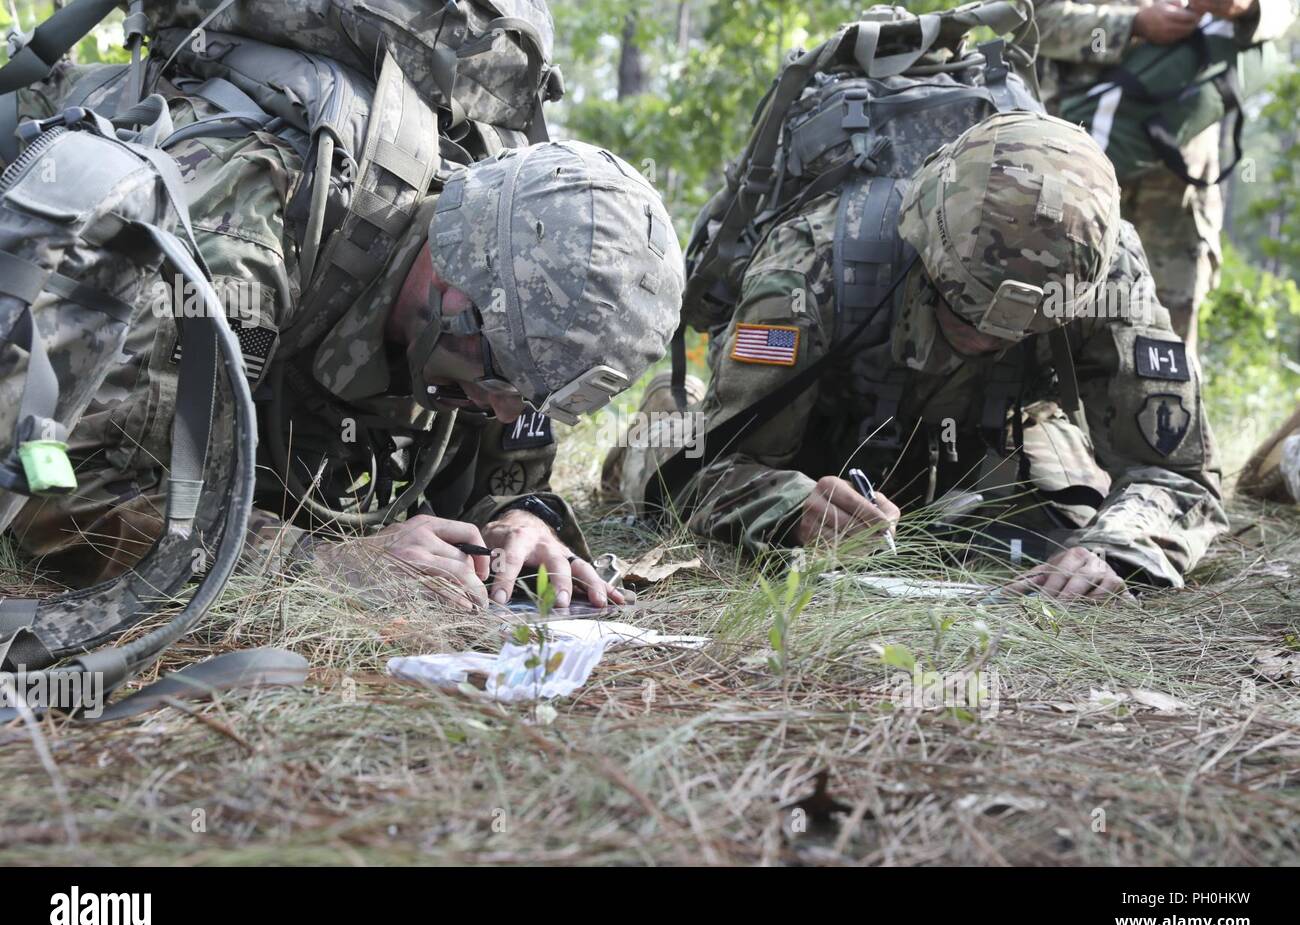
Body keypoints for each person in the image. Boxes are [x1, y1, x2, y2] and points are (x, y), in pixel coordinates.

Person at [3, 56, 685, 613]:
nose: (507, 410)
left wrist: (522, 518)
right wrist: (318, 564)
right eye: (504, 380)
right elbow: (58, 488)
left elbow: (504, 470)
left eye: (534, 401)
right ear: (453, 285)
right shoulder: (237, 250)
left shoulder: (508, 331)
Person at [615, 112, 1228, 601]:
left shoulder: (1105, 275)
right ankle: (668, 406)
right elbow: (718, 467)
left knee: (1069, 513)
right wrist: (787, 508)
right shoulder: (814, 264)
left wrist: (1115, 549)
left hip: (993, 434)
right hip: (818, 443)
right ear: (922, 239)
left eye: (1018, 328)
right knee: (667, 463)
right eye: (964, 308)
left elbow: (1177, 474)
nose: (988, 338)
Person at [1035, 0, 1297, 354]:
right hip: (1072, 176)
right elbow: (1029, 20)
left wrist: (1247, 8)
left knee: (1165, 359)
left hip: (1177, 194)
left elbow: (1285, 12)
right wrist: (1133, 25)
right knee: (1047, 337)